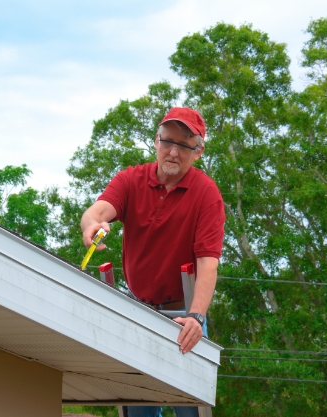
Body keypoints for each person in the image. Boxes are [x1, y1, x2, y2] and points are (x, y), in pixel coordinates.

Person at [80, 107, 225, 417]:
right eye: (167, 141)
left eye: (184, 145)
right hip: (137, 310)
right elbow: (98, 211)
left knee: (191, 409)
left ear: (197, 151)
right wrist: (92, 225)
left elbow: (208, 263)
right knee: (136, 408)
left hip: (183, 316)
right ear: (156, 141)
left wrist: (196, 318)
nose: (173, 151)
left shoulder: (206, 194)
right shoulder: (131, 180)